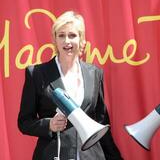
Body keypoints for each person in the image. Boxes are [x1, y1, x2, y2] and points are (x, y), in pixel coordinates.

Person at [18, 11, 123, 160]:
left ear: (81, 39)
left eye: (72, 35)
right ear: (54, 40)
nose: (67, 41)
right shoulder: (36, 73)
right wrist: (49, 125)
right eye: (61, 35)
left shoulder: (95, 74)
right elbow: (24, 122)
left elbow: (101, 122)